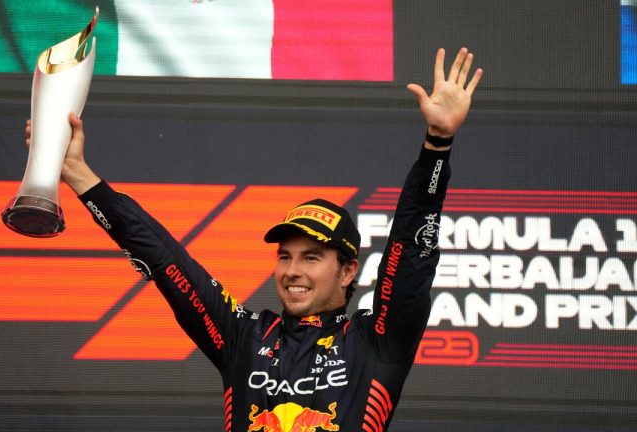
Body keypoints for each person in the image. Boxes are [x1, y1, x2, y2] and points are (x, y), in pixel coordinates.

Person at [28, 47, 482, 431]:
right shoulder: (244, 336)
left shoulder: (376, 341)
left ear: (348, 270)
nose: (292, 271)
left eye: (311, 257)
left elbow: (409, 250)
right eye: (285, 256)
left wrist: (437, 144)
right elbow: (166, 260)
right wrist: (81, 177)